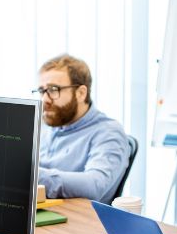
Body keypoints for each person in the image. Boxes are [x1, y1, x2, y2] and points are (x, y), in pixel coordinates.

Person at [33, 54, 131, 203]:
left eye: (53, 90)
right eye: (42, 91)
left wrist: (32, 175)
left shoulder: (108, 132)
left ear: (81, 93)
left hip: (75, 220)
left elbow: (94, 186)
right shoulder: (48, 125)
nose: (45, 100)